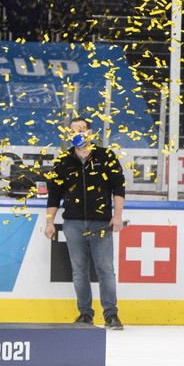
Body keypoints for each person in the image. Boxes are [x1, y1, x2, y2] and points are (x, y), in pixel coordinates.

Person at [44, 117, 126, 330]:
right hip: (72, 223)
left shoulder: (105, 156)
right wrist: (49, 222)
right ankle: (85, 313)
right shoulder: (63, 160)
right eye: (73, 131)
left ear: (90, 132)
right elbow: (54, 195)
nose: (77, 133)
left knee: (105, 269)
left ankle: (111, 314)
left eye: (81, 129)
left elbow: (118, 188)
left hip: (100, 223)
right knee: (79, 270)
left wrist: (117, 216)